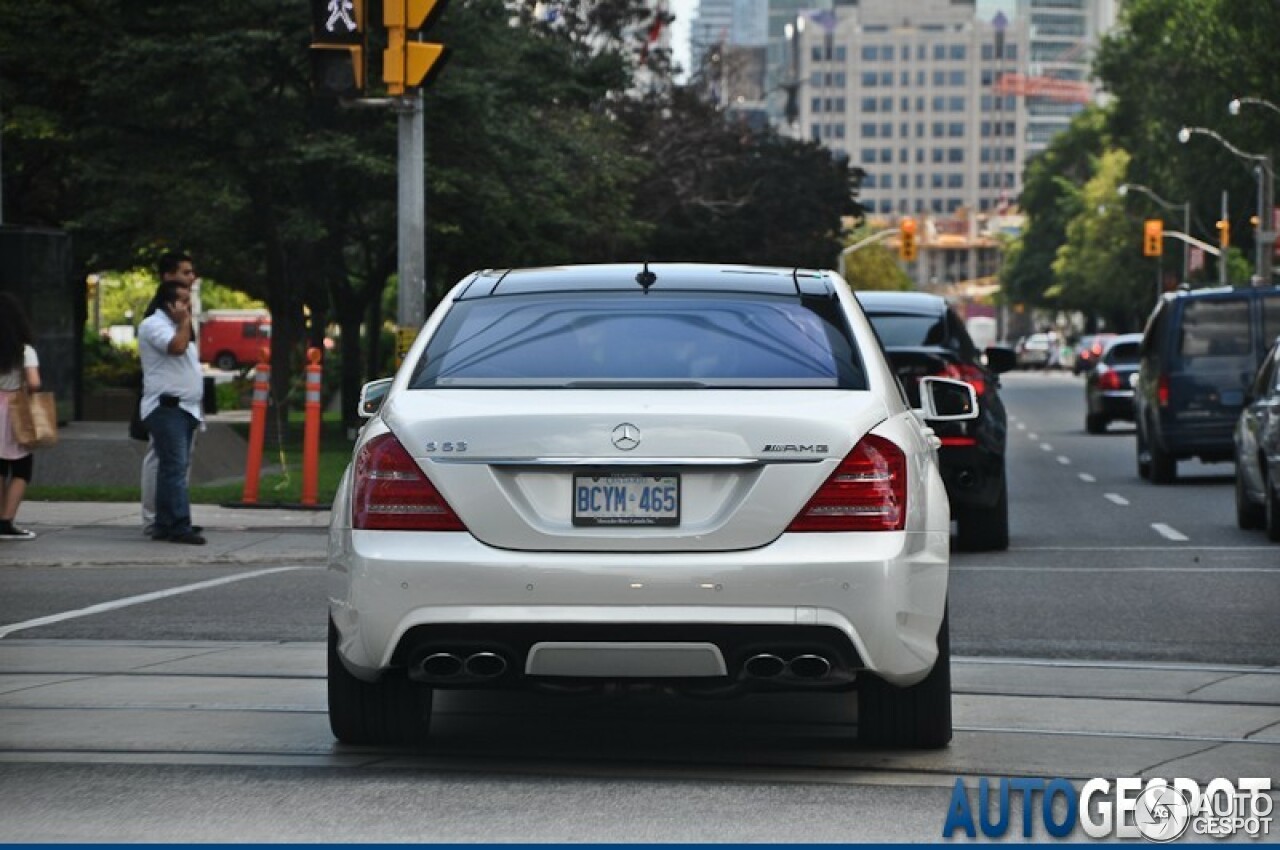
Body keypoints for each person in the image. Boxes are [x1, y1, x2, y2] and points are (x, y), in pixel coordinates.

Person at [138, 255, 206, 545]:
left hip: (185, 409)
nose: (187, 305)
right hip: (167, 408)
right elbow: (176, 349)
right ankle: (178, 525)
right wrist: (184, 322)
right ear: (168, 303)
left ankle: (165, 522)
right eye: (182, 300)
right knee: (173, 468)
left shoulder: (181, 325)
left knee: (173, 468)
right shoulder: (155, 325)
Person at [0, 292, 43, 540]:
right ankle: (7, 521)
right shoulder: (24, 351)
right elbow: (35, 383)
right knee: (21, 467)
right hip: (15, 408)